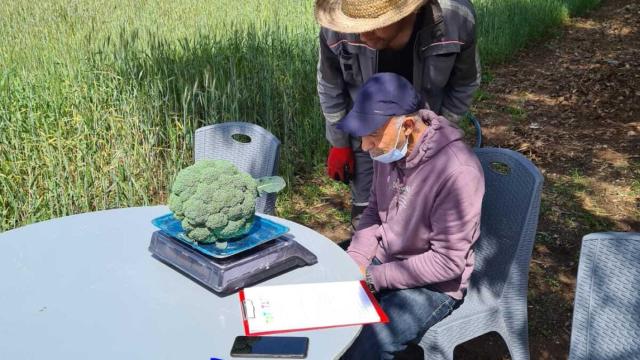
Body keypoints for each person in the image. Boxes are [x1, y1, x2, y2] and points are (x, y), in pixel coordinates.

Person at [335, 72, 484, 359]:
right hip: (385, 258)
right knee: (326, 307)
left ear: (407, 126)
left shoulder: (458, 172)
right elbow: (373, 214)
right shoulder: (387, 151)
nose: (365, 146)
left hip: (434, 285)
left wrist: (372, 278)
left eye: (373, 134)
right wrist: (355, 261)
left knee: (361, 348)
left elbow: (447, 262)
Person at [315, 0, 481, 227]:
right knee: (367, 215)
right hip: (367, 137)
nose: (363, 36)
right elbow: (330, 85)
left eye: (375, 25)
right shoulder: (339, 24)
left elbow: (465, 83)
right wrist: (339, 143)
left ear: (408, 11)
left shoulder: (456, 20)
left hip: (422, 136)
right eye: (357, 26)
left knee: (420, 217)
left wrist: (438, 133)